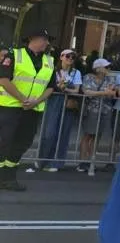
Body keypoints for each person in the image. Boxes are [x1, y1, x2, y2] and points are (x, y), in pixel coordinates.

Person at [0, 29, 57, 191]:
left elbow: (51, 87)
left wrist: (36, 101)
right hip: (10, 107)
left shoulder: (49, 61)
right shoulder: (14, 55)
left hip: (32, 110)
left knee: (22, 143)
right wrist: (22, 99)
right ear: (33, 39)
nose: (47, 43)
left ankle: (8, 178)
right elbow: (3, 79)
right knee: (4, 142)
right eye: (45, 39)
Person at [38, 49, 82, 172]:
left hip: (68, 104)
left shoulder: (76, 72)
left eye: (73, 57)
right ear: (61, 57)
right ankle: (42, 160)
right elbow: (46, 86)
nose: (70, 59)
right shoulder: (53, 70)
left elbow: (77, 90)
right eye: (68, 56)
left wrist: (65, 89)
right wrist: (58, 87)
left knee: (64, 133)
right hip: (53, 102)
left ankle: (56, 163)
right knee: (49, 132)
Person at [78, 58, 118, 173]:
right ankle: (82, 162)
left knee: (97, 136)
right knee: (87, 135)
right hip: (91, 110)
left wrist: (106, 93)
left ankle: (91, 161)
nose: (108, 69)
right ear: (98, 68)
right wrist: (103, 93)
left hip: (105, 111)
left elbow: (113, 93)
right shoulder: (88, 77)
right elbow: (86, 91)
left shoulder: (110, 79)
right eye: (106, 67)